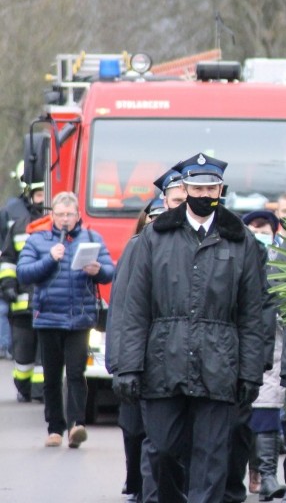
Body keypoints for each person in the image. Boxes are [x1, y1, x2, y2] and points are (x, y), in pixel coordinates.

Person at [114, 153, 269, 503]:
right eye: (197, 187)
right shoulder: (155, 235)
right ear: (184, 189)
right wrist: (128, 365)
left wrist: (250, 373)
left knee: (212, 458)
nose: (204, 193)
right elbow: (135, 307)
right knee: (164, 449)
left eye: (210, 187)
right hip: (163, 360)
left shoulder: (239, 239)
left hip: (219, 363)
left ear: (220, 190)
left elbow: (252, 312)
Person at [108, 167, 187, 503]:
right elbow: (124, 310)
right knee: (158, 448)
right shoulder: (142, 246)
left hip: (204, 366)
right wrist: (123, 366)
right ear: (164, 202)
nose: (185, 206)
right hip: (156, 363)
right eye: (177, 200)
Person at [17, 191, 115, 448]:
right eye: (59, 215)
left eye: (69, 214)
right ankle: (54, 428)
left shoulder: (92, 238)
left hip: (80, 319)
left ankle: (76, 425)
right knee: (51, 377)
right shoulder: (38, 240)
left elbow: (109, 272)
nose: (64, 219)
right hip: (48, 318)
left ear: (77, 215)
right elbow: (24, 273)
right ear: (53, 216)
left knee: (76, 373)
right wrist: (50, 258)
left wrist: (98, 270)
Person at [237, 209, 286, 502]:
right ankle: (248, 472)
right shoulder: (237, 258)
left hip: (273, 348)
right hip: (240, 346)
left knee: (267, 407)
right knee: (240, 418)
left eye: (265, 228)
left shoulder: (285, 264)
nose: (260, 233)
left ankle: (267, 475)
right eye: (254, 228)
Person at [0, 176, 46, 401]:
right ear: (30, 198)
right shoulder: (19, 226)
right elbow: (8, 260)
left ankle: (41, 392)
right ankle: (24, 388)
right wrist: (8, 285)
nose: (42, 200)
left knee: (45, 355)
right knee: (24, 354)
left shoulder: (59, 227)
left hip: (47, 304)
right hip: (21, 305)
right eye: (39, 195)